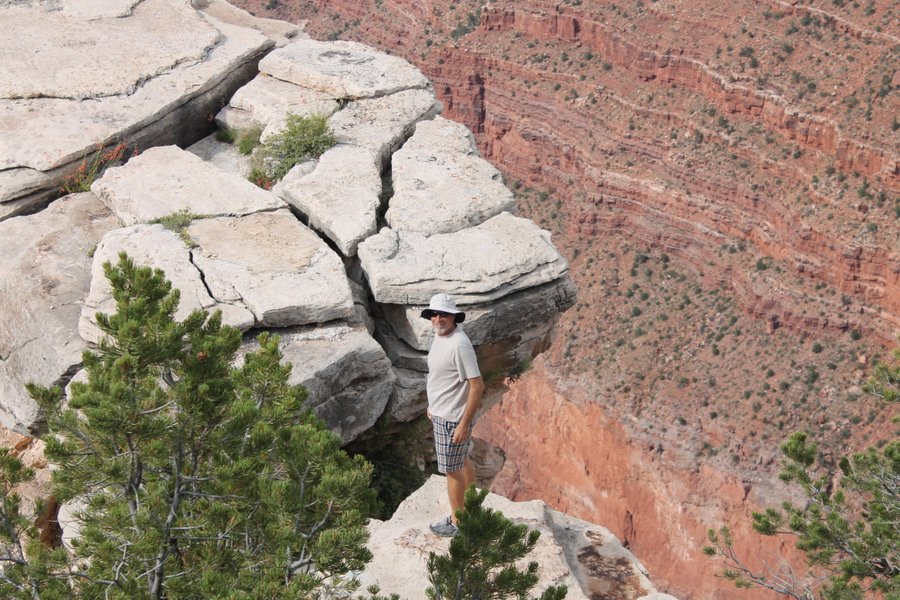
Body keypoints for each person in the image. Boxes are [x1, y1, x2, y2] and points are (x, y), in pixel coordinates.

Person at [421, 293, 484, 537]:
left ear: (454, 317)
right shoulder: (440, 336)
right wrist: (432, 404)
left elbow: (477, 386)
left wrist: (463, 424)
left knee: (451, 470)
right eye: (434, 314)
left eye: (443, 314)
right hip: (442, 412)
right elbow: (441, 377)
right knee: (461, 462)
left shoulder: (459, 344)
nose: (438, 318)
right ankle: (470, 509)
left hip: (452, 419)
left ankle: (458, 523)